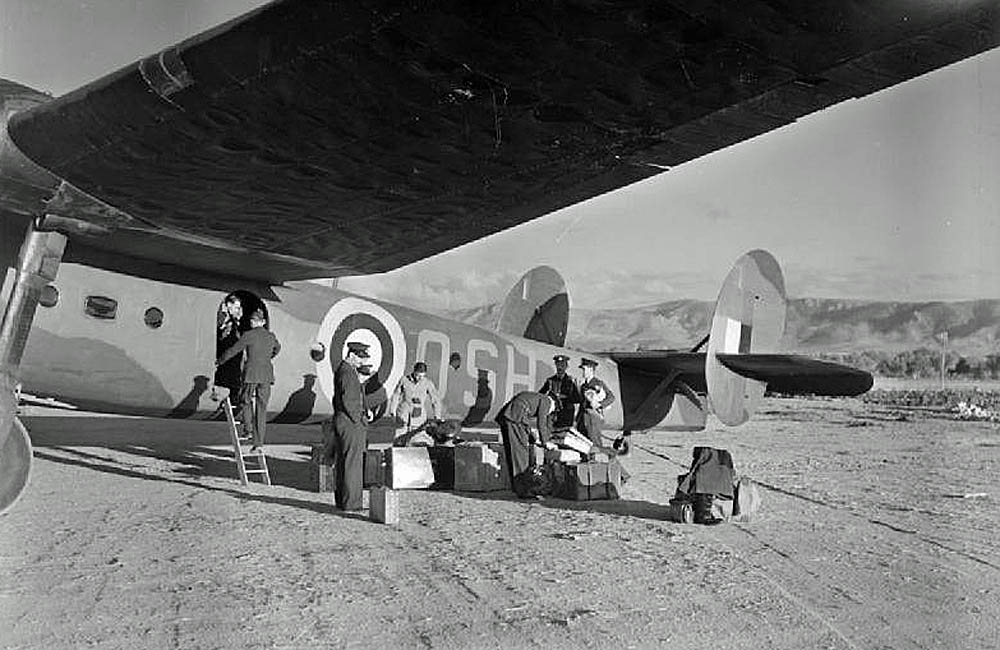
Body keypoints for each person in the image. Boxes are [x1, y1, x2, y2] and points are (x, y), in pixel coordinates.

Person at [216, 309, 280, 451]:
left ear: (259, 322)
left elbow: (234, 350)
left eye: (253, 320)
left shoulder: (249, 335)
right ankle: (258, 443)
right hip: (266, 375)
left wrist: (220, 360)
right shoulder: (271, 336)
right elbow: (277, 348)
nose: (251, 322)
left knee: (245, 399)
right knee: (262, 409)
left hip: (251, 374)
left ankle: (248, 429)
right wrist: (267, 358)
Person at [330, 341, 371, 511]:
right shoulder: (348, 373)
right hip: (350, 423)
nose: (362, 362)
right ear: (352, 355)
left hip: (343, 420)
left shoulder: (344, 370)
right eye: (360, 358)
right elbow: (349, 400)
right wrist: (360, 418)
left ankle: (343, 501)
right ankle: (352, 503)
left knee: (344, 462)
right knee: (353, 464)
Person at [495, 391, 559, 499]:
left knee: (512, 453)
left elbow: (526, 425)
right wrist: (545, 442)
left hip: (509, 417)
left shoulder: (535, 398)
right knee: (521, 454)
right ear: (554, 405)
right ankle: (524, 491)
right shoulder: (547, 401)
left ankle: (517, 487)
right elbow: (541, 423)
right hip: (516, 418)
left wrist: (533, 439)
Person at [388, 362, 443, 445]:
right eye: (418, 375)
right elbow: (396, 395)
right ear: (414, 371)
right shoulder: (404, 380)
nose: (419, 378)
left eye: (422, 376)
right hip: (403, 415)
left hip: (418, 418)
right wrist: (392, 411)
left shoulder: (427, 383)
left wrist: (437, 416)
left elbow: (435, 400)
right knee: (399, 440)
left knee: (415, 440)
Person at [576, 358, 615, 447]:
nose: (583, 372)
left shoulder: (598, 383)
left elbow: (611, 397)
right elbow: (582, 403)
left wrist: (599, 405)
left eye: (584, 369)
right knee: (583, 442)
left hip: (593, 417)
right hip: (583, 418)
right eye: (582, 370)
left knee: (594, 441)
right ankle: (586, 460)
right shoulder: (583, 385)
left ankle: (595, 460)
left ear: (591, 370)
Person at [539, 354, 581, 429]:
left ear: (566, 367)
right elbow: (540, 394)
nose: (560, 367)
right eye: (558, 365)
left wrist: (564, 398)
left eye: (562, 365)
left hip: (566, 415)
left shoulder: (571, 382)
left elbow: (577, 398)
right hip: (553, 415)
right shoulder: (550, 381)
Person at [214, 294, 244, 397]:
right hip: (227, 361)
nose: (238, 311)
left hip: (233, 364)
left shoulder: (235, 323)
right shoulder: (223, 319)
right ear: (228, 305)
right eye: (236, 308)